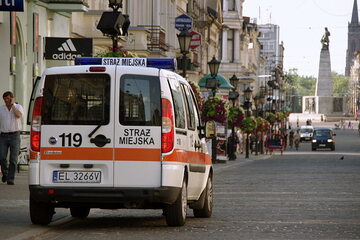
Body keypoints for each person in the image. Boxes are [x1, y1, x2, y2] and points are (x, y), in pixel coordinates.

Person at [0, 91, 24, 185]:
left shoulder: (18, 107)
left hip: (15, 135)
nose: (6, 100)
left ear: (12, 98)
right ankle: (5, 173)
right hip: (3, 136)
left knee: (13, 159)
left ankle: (10, 179)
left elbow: (18, 115)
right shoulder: (1, 109)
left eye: (8, 98)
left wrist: (13, 105)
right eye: (5, 99)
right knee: (1, 157)